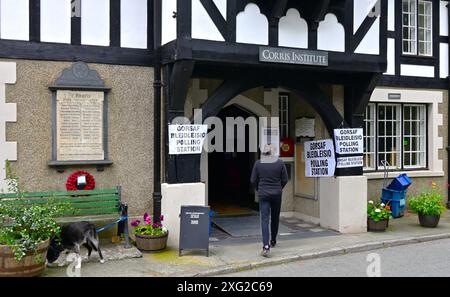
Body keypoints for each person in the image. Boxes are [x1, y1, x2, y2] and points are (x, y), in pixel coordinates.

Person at [250, 144, 288, 257]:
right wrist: (278, 188)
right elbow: (285, 179)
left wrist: (259, 188)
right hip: (276, 194)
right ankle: (273, 240)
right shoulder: (280, 163)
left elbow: (253, 180)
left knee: (264, 220)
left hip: (263, 194)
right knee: (275, 218)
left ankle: (266, 246)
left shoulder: (258, 163)